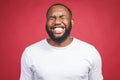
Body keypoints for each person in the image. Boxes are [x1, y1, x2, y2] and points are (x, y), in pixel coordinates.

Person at [20, 3, 103, 80]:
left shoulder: (90, 52)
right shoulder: (30, 52)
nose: (57, 22)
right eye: (52, 18)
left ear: (71, 22)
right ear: (46, 23)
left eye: (62, 17)